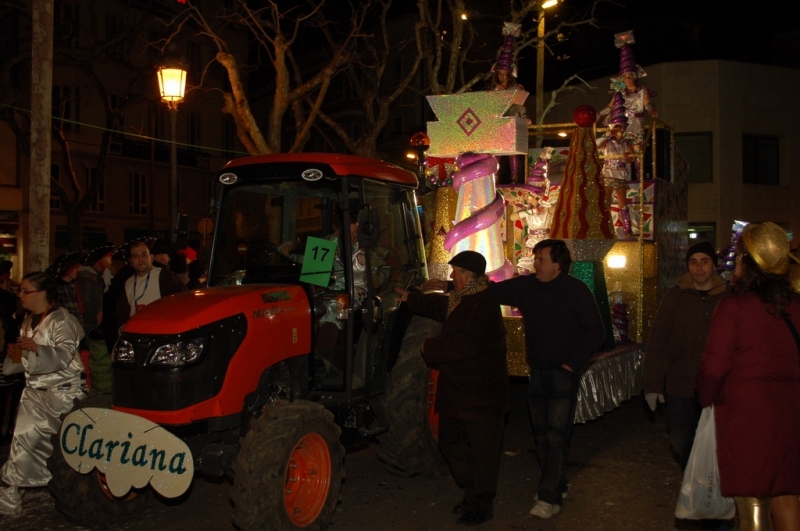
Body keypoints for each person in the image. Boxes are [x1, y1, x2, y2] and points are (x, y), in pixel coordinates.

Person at [487, 239, 604, 518]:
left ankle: (548, 497)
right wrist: (449, 287)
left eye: (541, 259)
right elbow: (490, 292)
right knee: (541, 433)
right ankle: (557, 481)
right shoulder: (526, 287)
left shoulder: (575, 290)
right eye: (535, 258)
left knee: (556, 433)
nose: (535, 264)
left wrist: (571, 364)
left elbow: (595, 332)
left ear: (558, 264)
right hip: (538, 370)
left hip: (563, 373)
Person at [696, 222, 800, 531]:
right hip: (791, 412)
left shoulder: (734, 307)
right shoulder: (796, 305)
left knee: (752, 498)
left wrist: (705, 397)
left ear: (746, 262)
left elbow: (714, 365)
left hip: (747, 417)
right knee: (788, 492)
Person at [396, 251, 508, 526]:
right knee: (450, 443)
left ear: (467, 276)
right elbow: (440, 308)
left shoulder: (484, 305)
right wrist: (411, 299)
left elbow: (466, 345)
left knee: (484, 453)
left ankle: (482, 504)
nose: (451, 277)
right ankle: (473, 491)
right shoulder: (463, 297)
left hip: (482, 394)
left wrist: (429, 347)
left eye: (455, 272)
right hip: (458, 392)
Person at [0, 271, 86, 516]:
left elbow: (64, 355)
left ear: (42, 293)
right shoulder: (26, 321)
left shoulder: (62, 320)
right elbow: (24, 362)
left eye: (26, 291)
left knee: (61, 449)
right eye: (20, 290)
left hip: (62, 394)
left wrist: (38, 348)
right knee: (23, 442)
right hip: (34, 395)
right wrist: (14, 352)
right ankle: (10, 492)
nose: (20, 295)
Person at [643, 240, 730, 469]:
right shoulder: (675, 298)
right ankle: (691, 493)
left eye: (704, 262)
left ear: (714, 265)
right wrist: (652, 385)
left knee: (720, 448)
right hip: (682, 387)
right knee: (682, 445)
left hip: (720, 387)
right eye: (693, 262)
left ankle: (715, 498)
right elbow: (658, 342)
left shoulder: (729, 299)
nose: (698, 267)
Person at [116, 240, 187, 327]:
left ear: (152, 257)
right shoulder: (128, 283)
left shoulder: (167, 277)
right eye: (135, 256)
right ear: (130, 261)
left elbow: (182, 306)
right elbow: (122, 314)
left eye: (144, 254)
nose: (140, 259)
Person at [75, 241, 115, 392]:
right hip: (91, 329)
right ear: (101, 260)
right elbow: (88, 305)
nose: (111, 262)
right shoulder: (88, 278)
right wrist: (97, 315)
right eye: (108, 258)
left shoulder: (101, 277)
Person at [596, 92, 635, 236]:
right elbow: (595, 145)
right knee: (605, 202)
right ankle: (604, 226)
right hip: (608, 174)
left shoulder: (627, 143)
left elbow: (631, 157)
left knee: (622, 204)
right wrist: (608, 134)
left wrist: (628, 157)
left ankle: (627, 228)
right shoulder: (607, 142)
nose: (621, 129)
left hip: (621, 176)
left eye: (623, 126)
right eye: (618, 126)